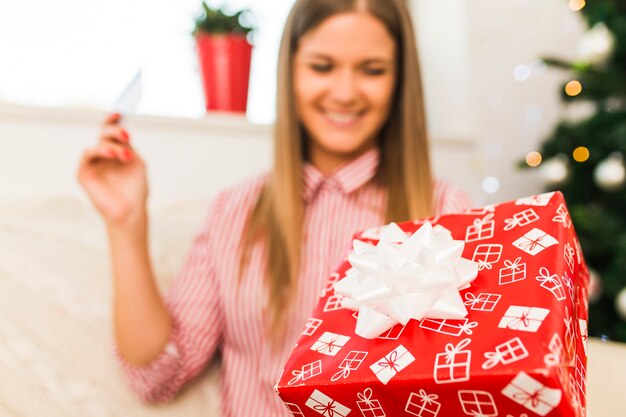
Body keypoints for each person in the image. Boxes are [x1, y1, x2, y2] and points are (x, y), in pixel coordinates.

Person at [77, 0, 472, 416]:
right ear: (291, 71)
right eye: (322, 66)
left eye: (372, 70)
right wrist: (126, 223)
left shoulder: (444, 210)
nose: (345, 92)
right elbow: (157, 377)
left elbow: (465, 380)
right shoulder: (233, 211)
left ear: (399, 81)